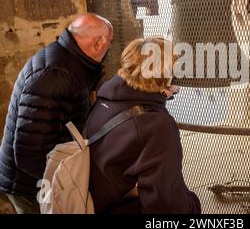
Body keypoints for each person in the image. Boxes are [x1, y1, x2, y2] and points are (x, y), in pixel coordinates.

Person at [0, 13, 113, 214]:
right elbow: (29, 152)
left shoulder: (70, 61)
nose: (109, 48)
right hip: (30, 186)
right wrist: (67, 183)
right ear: (98, 42)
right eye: (109, 42)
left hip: (36, 178)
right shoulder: (56, 75)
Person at [86, 37, 201, 214]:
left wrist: (159, 93)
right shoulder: (156, 125)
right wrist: (194, 203)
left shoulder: (105, 99)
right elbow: (168, 209)